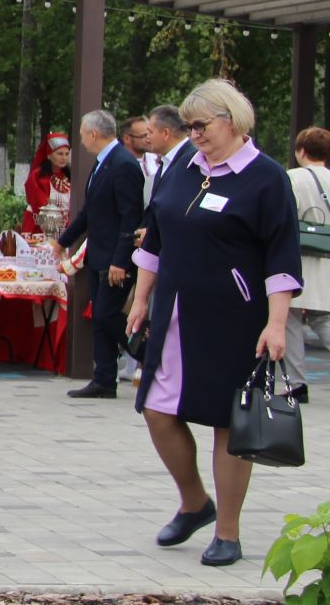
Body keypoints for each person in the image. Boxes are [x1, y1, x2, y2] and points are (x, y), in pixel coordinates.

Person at [126, 80, 299, 568]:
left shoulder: (265, 178)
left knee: (228, 422)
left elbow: (282, 258)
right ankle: (194, 502)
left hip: (235, 317)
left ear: (232, 120)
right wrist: (141, 299)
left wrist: (277, 323)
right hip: (176, 312)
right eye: (189, 126)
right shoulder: (183, 166)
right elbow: (155, 236)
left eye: (201, 125)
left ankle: (228, 532)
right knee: (158, 409)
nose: (193, 134)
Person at [53, 110, 144, 399]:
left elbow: (131, 216)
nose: (81, 141)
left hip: (115, 260)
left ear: (94, 134)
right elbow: (91, 212)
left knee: (107, 316)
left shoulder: (123, 164)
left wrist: (121, 259)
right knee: (101, 318)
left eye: (82, 135)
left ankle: (152, 356)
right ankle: (104, 378)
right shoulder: (103, 163)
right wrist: (63, 241)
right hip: (99, 255)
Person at [284, 126, 330, 395]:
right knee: (323, 318)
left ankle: (296, 382)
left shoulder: (292, 178)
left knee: (288, 319)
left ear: (301, 150)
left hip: (299, 257)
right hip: (326, 259)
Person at [19, 131, 73, 236]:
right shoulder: (37, 176)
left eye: (66, 154)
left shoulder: (70, 177)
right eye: (59, 154)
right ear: (49, 155)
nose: (64, 158)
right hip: (38, 228)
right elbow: (40, 206)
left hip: (65, 230)